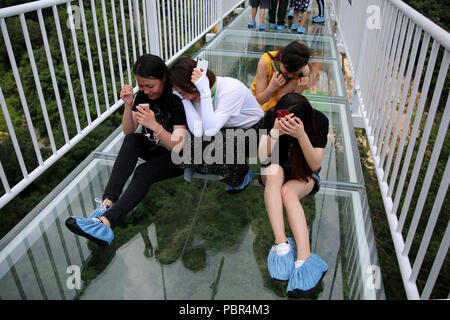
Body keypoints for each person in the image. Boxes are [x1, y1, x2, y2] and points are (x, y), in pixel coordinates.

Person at [65, 54, 188, 246]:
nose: (146, 91)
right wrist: (128, 104)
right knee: (131, 140)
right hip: (156, 148)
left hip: (181, 156)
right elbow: (128, 130)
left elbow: (180, 146)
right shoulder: (143, 95)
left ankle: (106, 223)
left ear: (164, 77)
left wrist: (155, 126)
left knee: (143, 171)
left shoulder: (176, 98)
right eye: (142, 86)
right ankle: (106, 205)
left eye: (150, 86)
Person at [257, 93, 329, 298]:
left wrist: (301, 135)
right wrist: (274, 132)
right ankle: (281, 244)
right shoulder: (271, 118)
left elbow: (315, 164)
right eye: (283, 116)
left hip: (304, 172)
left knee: (288, 192)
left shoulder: (320, 120)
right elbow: (262, 156)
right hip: (275, 169)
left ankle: (304, 257)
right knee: (274, 174)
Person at [169, 57, 264, 193]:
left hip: (254, 133)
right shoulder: (194, 94)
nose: (190, 96)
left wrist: (204, 92)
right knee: (193, 139)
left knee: (215, 143)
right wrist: (183, 99)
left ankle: (243, 174)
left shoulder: (231, 89)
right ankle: (211, 165)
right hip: (226, 129)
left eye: (188, 91)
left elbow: (210, 131)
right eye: (183, 93)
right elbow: (197, 131)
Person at [251, 40, 310, 112]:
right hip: (259, 105)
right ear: (281, 57)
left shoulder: (302, 71)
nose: (290, 75)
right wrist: (271, 88)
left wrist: (298, 92)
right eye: (287, 70)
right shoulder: (266, 61)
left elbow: (281, 98)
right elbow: (260, 99)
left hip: (282, 105)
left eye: (294, 72)